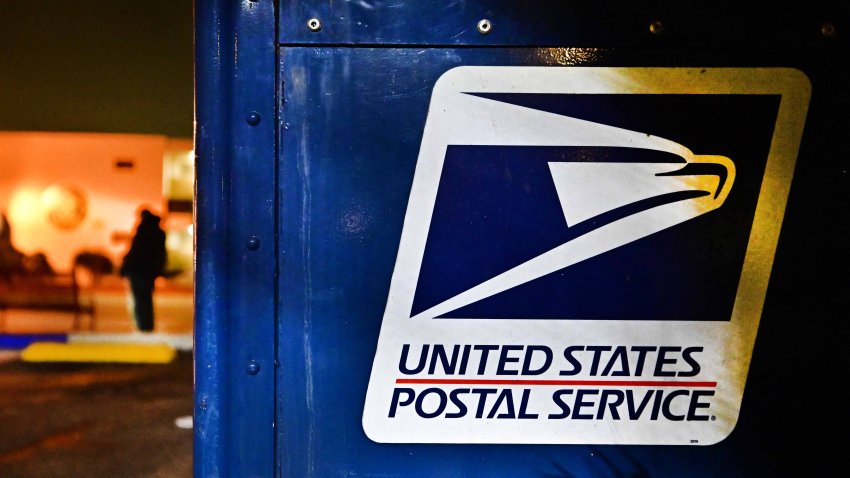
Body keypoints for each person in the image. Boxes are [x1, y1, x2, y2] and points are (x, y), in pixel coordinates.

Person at [120, 208, 167, 332]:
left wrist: (124, 267)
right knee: (146, 298)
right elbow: (161, 255)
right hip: (149, 272)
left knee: (140, 298)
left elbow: (135, 253)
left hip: (138, 271)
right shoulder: (159, 233)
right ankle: (147, 324)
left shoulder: (142, 231)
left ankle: (143, 325)